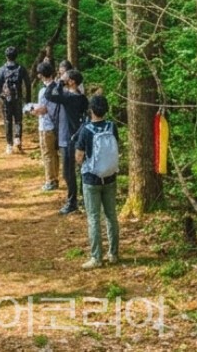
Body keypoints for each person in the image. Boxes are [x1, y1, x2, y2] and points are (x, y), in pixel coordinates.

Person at [74, 94, 120, 269]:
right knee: (111, 216)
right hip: (110, 176)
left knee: (93, 218)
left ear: (91, 110)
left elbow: (79, 157)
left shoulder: (86, 130)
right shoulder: (112, 127)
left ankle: (96, 257)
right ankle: (113, 254)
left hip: (91, 179)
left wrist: (82, 161)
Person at [45, 68, 88, 214]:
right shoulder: (82, 98)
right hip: (77, 138)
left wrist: (56, 82)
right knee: (80, 170)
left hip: (68, 140)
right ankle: (83, 199)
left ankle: (72, 202)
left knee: (68, 173)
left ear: (71, 82)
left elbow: (49, 95)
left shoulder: (69, 97)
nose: (61, 76)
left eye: (65, 76)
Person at [0, 46, 32, 154]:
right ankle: (17, 138)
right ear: (16, 56)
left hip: (5, 100)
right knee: (18, 120)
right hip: (18, 98)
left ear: (6, 56)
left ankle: (9, 144)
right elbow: (28, 84)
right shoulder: (21, 69)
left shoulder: (1, 70)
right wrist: (28, 100)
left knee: (8, 121)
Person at [31, 60, 60, 191]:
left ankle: (50, 180)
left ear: (42, 75)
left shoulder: (44, 91)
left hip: (46, 126)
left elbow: (43, 109)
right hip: (56, 125)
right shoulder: (57, 87)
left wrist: (32, 111)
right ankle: (56, 177)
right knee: (54, 153)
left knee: (47, 153)